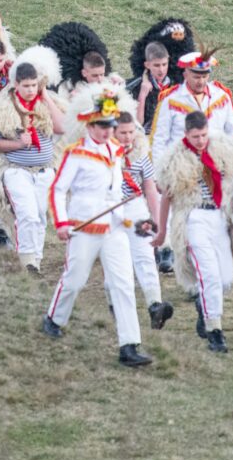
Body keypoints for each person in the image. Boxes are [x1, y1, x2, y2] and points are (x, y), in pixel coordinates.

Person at [39, 86, 155, 369]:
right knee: (75, 279)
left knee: (123, 283)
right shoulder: (75, 153)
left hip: (114, 227)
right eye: (102, 125)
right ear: (90, 124)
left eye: (110, 125)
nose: (107, 130)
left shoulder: (117, 152)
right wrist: (62, 223)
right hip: (83, 226)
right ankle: (54, 317)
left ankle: (129, 345)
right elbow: (57, 190)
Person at [153, 110, 233, 353]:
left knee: (225, 278)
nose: (201, 141)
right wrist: (162, 233)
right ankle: (215, 330)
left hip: (219, 216)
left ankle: (204, 308)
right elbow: (166, 198)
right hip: (193, 218)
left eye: (204, 135)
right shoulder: (175, 159)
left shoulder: (222, 150)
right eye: (195, 137)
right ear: (186, 134)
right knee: (210, 276)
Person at [0, 61, 69, 273]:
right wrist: (18, 144)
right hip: (16, 170)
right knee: (27, 214)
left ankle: (36, 262)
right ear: (16, 84)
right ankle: (27, 260)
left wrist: (46, 96)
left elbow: (62, 127)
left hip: (44, 170)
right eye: (26, 86)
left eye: (34, 85)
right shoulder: (4, 109)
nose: (31, 90)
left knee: (40, 216)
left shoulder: (47, 105)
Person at [114, 110, 172, 329]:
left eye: (131, 132)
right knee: (117, 260)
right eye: (123, 133)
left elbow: (149, 188)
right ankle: (115, 305)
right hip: (111, 208)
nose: (128, 137)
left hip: (135, 206)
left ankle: (155, 305)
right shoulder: (104, 152)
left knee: (145, 254)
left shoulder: (140, 153)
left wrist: (156, 223)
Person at [151, 50, 233, 164]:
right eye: (196, 77)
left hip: (215, 163)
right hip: (182, 165)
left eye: (204, 76)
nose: (201, 82)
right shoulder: (171, 100)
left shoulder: (221, 97)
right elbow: (159, 140)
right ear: (185, 75)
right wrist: (158, 175)